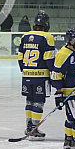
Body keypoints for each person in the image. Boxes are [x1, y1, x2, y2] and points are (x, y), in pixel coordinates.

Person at [17, 12, 56, 140]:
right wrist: (53, 74)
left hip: (27, 75)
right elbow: (48, 59)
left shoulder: (24, 36)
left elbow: (20, 57)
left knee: (29, 100)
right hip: (41, 76)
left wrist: (25, 71)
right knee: (39, 101)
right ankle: (34, 129)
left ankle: (28, 126)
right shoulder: (47, 37)